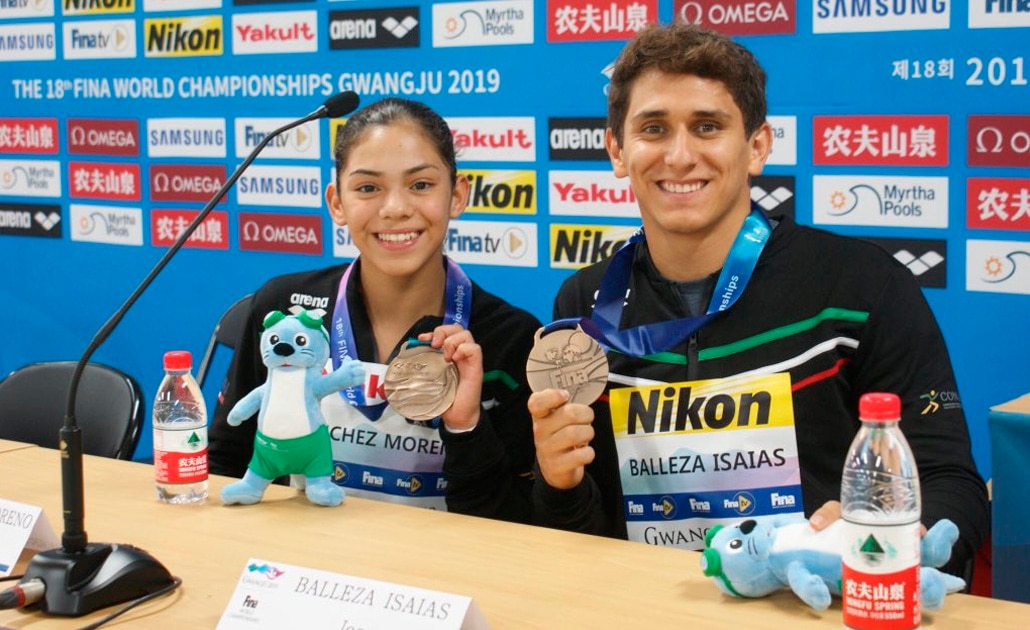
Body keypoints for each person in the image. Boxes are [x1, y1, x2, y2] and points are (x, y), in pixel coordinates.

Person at [528, 23, 988, 576]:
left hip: (810, 606)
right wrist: (560, 484)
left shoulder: (862, 285)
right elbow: (583, 538)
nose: (678, 155)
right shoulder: (586, 303)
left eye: (707, 127)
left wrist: (880, 539)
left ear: (757, 147)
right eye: (653, 128)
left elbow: (950, 484)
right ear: (618, 151)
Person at [209, 98, 540, 523]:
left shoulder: (510, 338)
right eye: (368, 188)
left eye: (421, 185)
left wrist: (465, 427)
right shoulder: (285, 309)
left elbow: (518, 528)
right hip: (300, 574)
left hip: (446, 580)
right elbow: (225, 466)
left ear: (457, 195)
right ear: (337, 203)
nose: (395, 208)